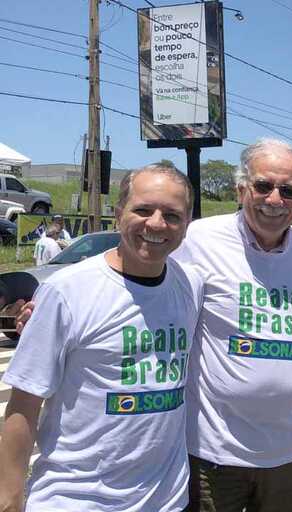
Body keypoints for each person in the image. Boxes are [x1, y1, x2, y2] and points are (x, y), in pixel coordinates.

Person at [0, 165, 202, 511]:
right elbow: (24, 405)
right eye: (143, 210)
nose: (156, 223)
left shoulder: (191, 284)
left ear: (186, 224)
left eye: (172, 215)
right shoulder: (67, 291)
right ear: (118, 212)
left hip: (167, 501)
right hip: (77, 500)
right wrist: (9, 498)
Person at [174, 139, 292, 512]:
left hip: (291, 451)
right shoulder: (198, 240)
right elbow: (146, 295)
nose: (274, 199)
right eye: (263, 186)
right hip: (214, 451)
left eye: (288, 190)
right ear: (241, 188)